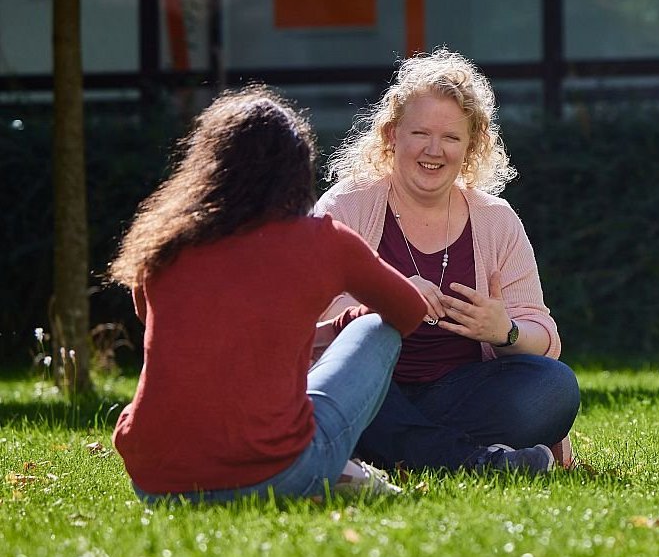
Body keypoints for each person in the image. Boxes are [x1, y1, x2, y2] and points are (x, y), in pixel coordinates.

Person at [110, 87, 428, 503]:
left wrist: (316, 329)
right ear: (297, 170)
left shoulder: (166, 241)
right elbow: (410, 311)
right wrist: (346, 323)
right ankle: (334, 470)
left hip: (154, 484)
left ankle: (338, 472)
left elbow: (151, 317)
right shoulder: (323, 241)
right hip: (273, 475)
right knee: (377, 328)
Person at [315, 48, 580, 475]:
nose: (433, 150)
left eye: (451, 138)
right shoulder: (347, 204)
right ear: (391, 135)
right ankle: (478, 461)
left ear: (471, 147)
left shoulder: (496, 219)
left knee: (554, 387)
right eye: (420, 133)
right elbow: (305, 322)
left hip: (457, 393)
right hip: (372, 391)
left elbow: (545, 338)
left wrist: (504, 332)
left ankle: (390, 451)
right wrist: (391, 298)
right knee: (345, 401)